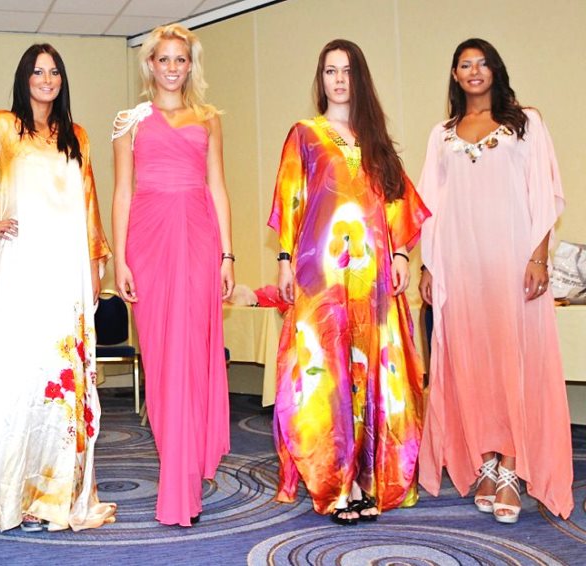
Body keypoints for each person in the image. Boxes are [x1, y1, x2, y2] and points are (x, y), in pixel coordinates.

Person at [0, 43, 115, 533]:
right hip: (22, 272)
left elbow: (89, 207)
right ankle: (14, 492)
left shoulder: (77, 136)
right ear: (24, 78)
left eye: (54, 71)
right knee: (20, 380)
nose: (47, 79)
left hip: (66, 276)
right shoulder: (3, 128)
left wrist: (94, 270)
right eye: (38, 71)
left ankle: (58, 492)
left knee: (63, 383)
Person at [268, 39, 429, 525]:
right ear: (321, 80)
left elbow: (397, 202)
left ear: (359, 79)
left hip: (373, 280)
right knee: (327, 376)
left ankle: (366, 478)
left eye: (346, 71)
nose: (338, 79)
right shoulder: (305, 133)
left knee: (370, 374)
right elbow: (291, 199)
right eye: (330, 71)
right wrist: (284, 260)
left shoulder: (376, 139)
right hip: (321, 276)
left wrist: (400, 253)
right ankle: (336, 482)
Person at [417, 38, 572, 523]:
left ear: (495, 70)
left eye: (482, 63)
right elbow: (429, 205)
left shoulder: (525, 122)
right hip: (460, 266)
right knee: (471, 362)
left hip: (512, 262)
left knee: (513, 361)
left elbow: (543, 192)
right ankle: (483, 458)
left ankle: (511, 464)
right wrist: (428, 266)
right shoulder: (442, 134)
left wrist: (539, 257)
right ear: (455, 75)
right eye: (465, 64)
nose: (474, 71)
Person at [111, 24, 233, 527]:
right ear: (150, 64)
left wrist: (228, 256)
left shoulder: (208, 118)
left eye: (180, 59)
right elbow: (122, 191)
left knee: (193, 354)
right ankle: (177, 463)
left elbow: (218, 187)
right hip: (149, 242)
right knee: (162, 360)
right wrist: (120, 259)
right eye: (164, 59)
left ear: (190, 65)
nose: (172, 68)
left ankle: (182, 480)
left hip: (200, 240)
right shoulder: (128, 121)